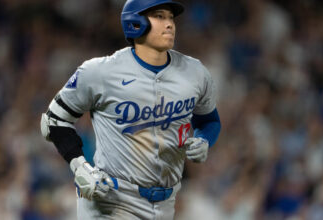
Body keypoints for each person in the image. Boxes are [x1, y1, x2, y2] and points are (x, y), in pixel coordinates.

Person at [40, 0, 221, 219]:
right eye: (159, 16)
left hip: (166, 204)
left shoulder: (195, 72)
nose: (170, 24)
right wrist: (79, 166)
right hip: (111, 201)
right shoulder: (101, 71)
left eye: (171, 17)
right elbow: (53, 120)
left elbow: (209, 121)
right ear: (135, 23)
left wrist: (204, 140)